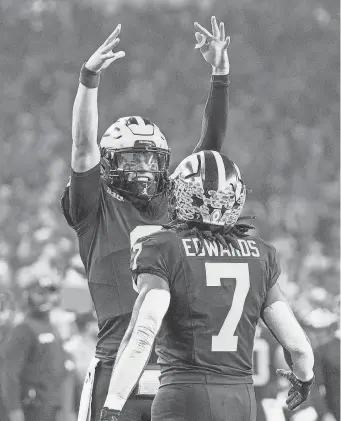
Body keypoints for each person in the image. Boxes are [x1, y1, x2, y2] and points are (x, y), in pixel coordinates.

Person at [61, 15, 231, 421]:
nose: (141, 167)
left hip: (177, 370)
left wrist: (220, 74)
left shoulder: (177, 198)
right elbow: (83, 146)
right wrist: (88, 80)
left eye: (148, 158)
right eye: (132, 157)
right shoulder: (95, 208)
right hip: (115, 364)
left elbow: (210, 148)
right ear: (110, 163)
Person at [100, 150, 316, 421]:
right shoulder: (260, 254)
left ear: (182, 195)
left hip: (184, 394)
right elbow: (298, 346)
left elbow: (143, 333)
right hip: (240, 398)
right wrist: (304, 378)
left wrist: (113, 404)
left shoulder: (164, 247)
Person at [0, 277, 70, 421]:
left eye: (50, 293)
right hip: (30, 410)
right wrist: (14, 410)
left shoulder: (53, 329)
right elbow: (8, 373)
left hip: (51, 409)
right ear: (27, 296)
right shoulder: (22, 329)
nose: (47, 298)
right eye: (40, 293)